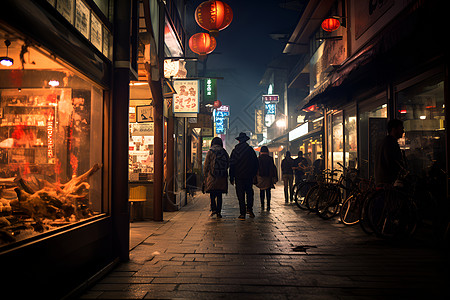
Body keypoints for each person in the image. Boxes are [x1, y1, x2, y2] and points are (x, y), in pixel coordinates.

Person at [229, 132, 259, 219]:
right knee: (249, 193)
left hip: (238, 177)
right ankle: (250, 209)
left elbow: (232, 164)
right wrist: (253, 174)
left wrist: (231, 177)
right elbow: (255, 163)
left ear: (238, 141)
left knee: (240, 195)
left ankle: (242, 213)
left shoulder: (235, 151)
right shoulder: (250, 150)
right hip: (248, 176)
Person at [203, 137, 229, 218]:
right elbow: (228, 163)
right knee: (219, 194)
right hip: (221, 176)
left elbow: (206, 164)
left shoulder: (210, 151)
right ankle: (219, 212)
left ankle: (213, 209)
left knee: (212, 193)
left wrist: (205, 175)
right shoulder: (224, 152)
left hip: (212, 176)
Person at [375, 119, 406, 185]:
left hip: (381, 182)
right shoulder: (391, 143)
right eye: (401, 128)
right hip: (388, 184)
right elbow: (394, 163)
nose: (403, 131)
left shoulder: (384, 142)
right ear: (394, 129)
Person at [255, 146, 278, 211]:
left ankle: (262, 205)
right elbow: (273, 168)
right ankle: (268, 205)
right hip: (268, 177)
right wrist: (274, 177)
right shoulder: (270, 158)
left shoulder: (259, 158)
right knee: (268, 191)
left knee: (261, 191)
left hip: (261, 177)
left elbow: (256, 168)